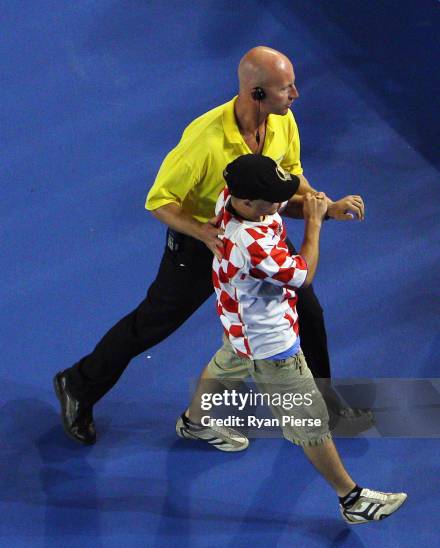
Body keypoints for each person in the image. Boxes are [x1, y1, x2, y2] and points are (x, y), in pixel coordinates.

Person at [54, 46, 371, 446]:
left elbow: (290, 177)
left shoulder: (283, 121)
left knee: (308, 309)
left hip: (259, 232)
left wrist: (324, 206)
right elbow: (159, 200)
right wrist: (203, 233)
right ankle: (78, 384)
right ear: (257, 93)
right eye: (286, 88)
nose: (296, 95)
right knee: (153, 323)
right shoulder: (204, 139)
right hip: (203, 243)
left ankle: (323, 402)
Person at [176, 153, 406, 524]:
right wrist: (316, 224)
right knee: (311, 423)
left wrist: (329, 207)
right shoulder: (250, 242)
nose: (279, 202)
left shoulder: (232, 199)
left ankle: (195, 421)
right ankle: (352, 500)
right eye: (272, 197)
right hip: (271, 347)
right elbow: (303, 275)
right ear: (249, 201)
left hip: (239, 325)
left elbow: (287, 201)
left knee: (225, 363)